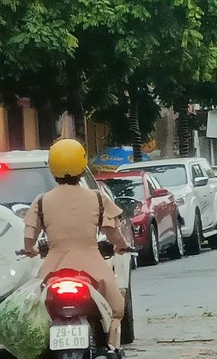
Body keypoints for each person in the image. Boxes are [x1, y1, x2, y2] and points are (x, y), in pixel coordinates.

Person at [21, 139, 130, 359]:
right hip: (92, 267)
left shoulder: (42, 201)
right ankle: (110, 348)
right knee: (117, 309)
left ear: (52, 167)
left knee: (36, 312)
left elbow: (28, 238)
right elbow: (113, 233)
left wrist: (30, 250)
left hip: (52, 269)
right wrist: (122, 246)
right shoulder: (98, 198)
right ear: (82, 165)